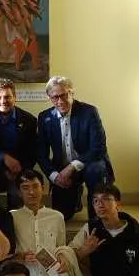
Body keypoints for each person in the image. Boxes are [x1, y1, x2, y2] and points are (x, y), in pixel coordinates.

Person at [37, 76, 114, 220]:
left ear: (71, 93)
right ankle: (75, 196)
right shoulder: (44, 117)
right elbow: (41, 153)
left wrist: (71, 167)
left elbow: (98, 147)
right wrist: (55, 176)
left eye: (64, 95)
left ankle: (95, 220)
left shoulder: (89, 112)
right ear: (49, 98)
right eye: (55, 97)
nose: (60, 101)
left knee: (95, 170)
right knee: (62, 214)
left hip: (89, 163)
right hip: (63, 168)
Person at [11, 168, 80, 276]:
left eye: (35, 186)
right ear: (19, 192)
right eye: (25, 188)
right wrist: (21, 257)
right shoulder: (12, 217)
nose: (31, 192)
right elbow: (7, 254)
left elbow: (61, 247)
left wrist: (63, 258)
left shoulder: (57, 217)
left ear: (43, 188)